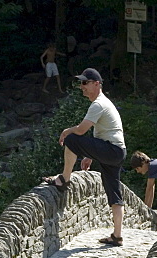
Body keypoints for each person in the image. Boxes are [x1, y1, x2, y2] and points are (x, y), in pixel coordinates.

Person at [44, 68, 126, 248]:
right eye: (81, 83)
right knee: (114, 191)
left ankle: (64, 179)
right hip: (117, 151)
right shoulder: (104, 103)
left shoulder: (98, 104)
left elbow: (81, 131)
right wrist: (91, 155)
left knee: (72, 139)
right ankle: (117, 236)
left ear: (97, 84)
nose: (82, 87)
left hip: (111, 150)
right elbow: (104, 134)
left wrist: (66, 131)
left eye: (85, 83)